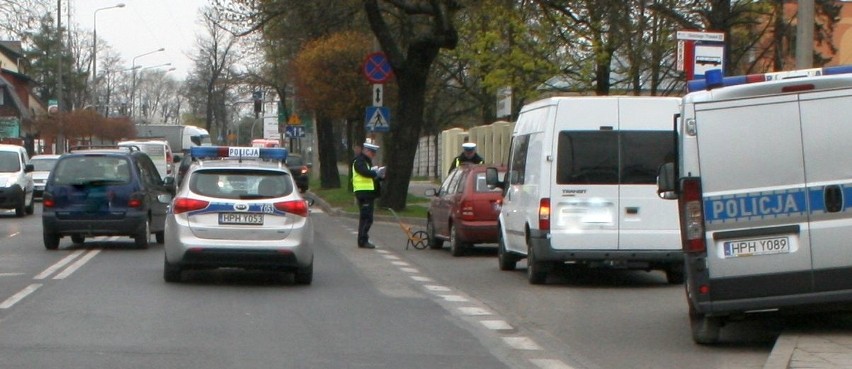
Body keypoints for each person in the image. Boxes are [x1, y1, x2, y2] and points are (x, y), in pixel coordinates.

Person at [352, 142, 383, 249]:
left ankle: (363, 239)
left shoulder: (365, 161)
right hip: (363, 193)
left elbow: (369, 176)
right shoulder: (359, 161)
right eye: (372, 153)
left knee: (367, 217)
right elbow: (364, 172)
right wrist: (375, 173)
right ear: (366, 151)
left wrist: (379, 176)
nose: (373, 155)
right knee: (366, 218)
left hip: (367, 193)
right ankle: (362, 240)